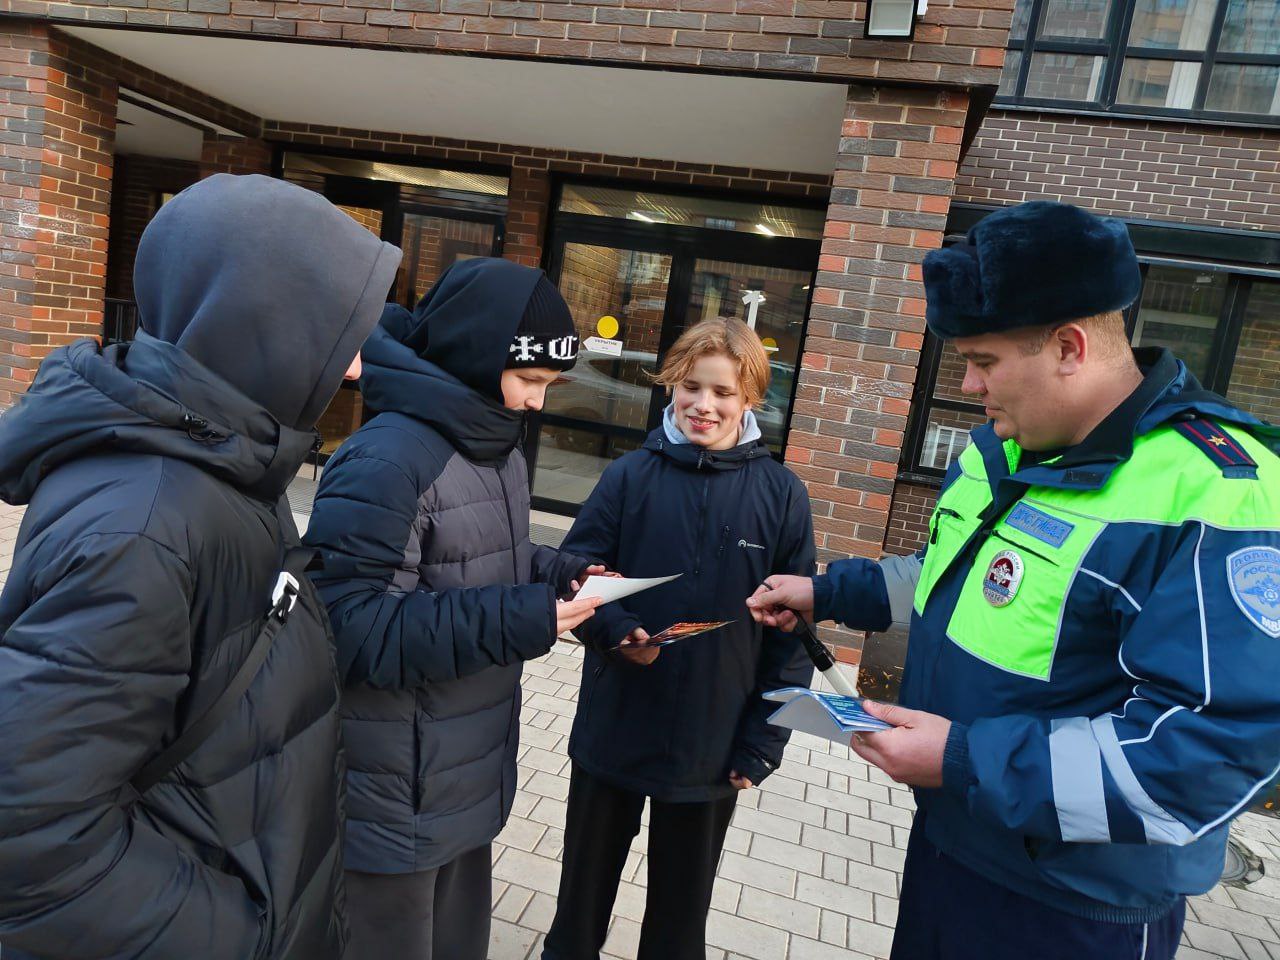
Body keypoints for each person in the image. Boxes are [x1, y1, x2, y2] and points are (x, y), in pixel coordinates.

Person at [748, 200, 1280, 960]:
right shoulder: (1002, 448)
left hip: (1074, 908)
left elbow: (1210, 752)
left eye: (985, 361)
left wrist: (964, 759)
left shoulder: (1221, 492)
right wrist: (827, 593)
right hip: (952, 845)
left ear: (1068, 347)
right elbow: (955, 578)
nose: (969, 384)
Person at [0, 174, 402, 960]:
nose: (356, 367)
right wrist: (248, 934)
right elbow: (29, 839)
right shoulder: (146, 522)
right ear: (263, 321)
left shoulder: (226, 464)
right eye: (338, 331)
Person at [302, 257, 603, 960]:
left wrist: (563, 575)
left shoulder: (496, 447)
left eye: (549, 385)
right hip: (394, 796)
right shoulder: (387, 459)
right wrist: (522, 618)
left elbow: (485, 556)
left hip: (460, 777)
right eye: (530, 380)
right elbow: (349, 629)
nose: (537, 403)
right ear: (477, 355)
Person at [542, 317, 816, 960]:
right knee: (579, 904)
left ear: (751, 398)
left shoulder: (781, 495)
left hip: (712, 740)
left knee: (679, 918)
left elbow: (794, 634)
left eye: (723, 392)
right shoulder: (628, 476)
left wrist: (763, 741)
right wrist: (614, 630)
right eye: (692, 387)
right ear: (671, 385)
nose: (704, 405)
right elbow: (573, 569)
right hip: (616, 719)